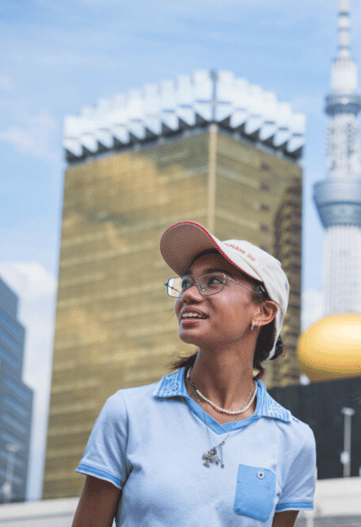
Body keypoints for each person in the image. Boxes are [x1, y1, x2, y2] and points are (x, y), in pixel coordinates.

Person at [72, 221, 316, 527]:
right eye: (186, 282)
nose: (187, 295)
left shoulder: (294, 440)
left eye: (213, 281)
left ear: (263, 312)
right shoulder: (128, 413)